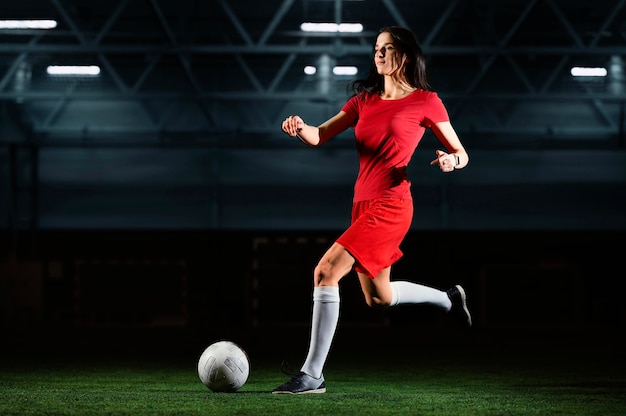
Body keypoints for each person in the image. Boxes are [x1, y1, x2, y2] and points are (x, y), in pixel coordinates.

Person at [272, 25, 472, 395]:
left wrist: (451, 162)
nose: (378, 54)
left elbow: (461, 153)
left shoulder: (426, 101)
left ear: (406, 56)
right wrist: (299, 127)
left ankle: (312, 375)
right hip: (362, 204)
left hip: (393, 204)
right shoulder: (364, 101)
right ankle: (448, 299)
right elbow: (318, 135)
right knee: (377, 297)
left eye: (387, 48)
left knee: (325, 271)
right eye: (376, 48)